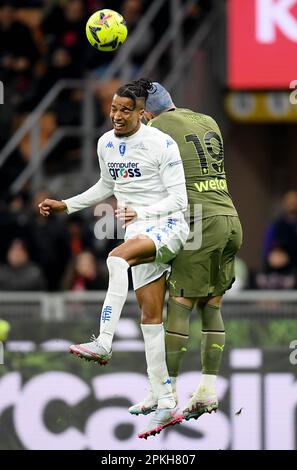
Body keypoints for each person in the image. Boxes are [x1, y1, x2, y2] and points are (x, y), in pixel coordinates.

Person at [39, 79, 189, 438]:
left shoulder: (161, 144)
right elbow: (106, 186)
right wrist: (67, 204)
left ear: (142, 113)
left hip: (169, 226)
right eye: (113, 109)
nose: (117, 116)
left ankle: (103, 340)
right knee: (150, 318)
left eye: (126, 110)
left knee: (115, 259)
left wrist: (143, 213)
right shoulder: (105, 143)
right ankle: (164, 395)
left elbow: (180, 200)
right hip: (140, 233)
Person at [126, 81, 242, 423]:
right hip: (230, 218)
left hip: (199, 222)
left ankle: (167, 392)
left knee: (179, 304)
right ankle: (207, 389)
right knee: (212, 304)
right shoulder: (208, 120)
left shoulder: (155, 130)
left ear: (146, 114)